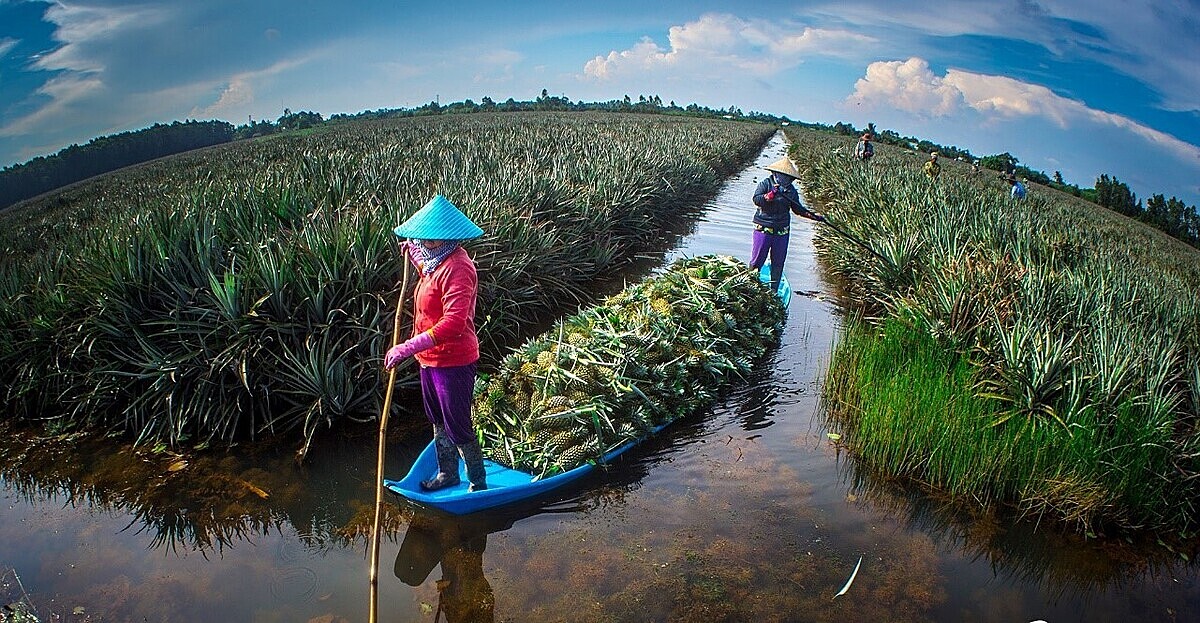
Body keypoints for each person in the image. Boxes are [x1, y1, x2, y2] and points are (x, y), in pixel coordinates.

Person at [384, 194, 488, 492]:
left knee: (457, 423)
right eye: (422, 238)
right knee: (438, 418)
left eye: (430, 239)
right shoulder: (435, 261)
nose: (424, 242)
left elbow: (454, 322)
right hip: (430, 359)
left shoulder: (459, 267)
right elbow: (431, 278)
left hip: (453, 359)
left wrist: (408, 346)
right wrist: (417, 258)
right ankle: (448, 474)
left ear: (446, 238)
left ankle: (477, 483)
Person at [750, 156, 824, 292]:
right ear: (776, 174)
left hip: (781, 231)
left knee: (778, 263)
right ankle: (750, 287)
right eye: (784, 176)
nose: (787, 180)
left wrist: (814, 216)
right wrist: (769, 196)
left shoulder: (791, 191)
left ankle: (774, 292)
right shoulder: (765, 184)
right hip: (763, 228)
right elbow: (756, 199)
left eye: (789, 178)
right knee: (757, 261)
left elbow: (798, 209)